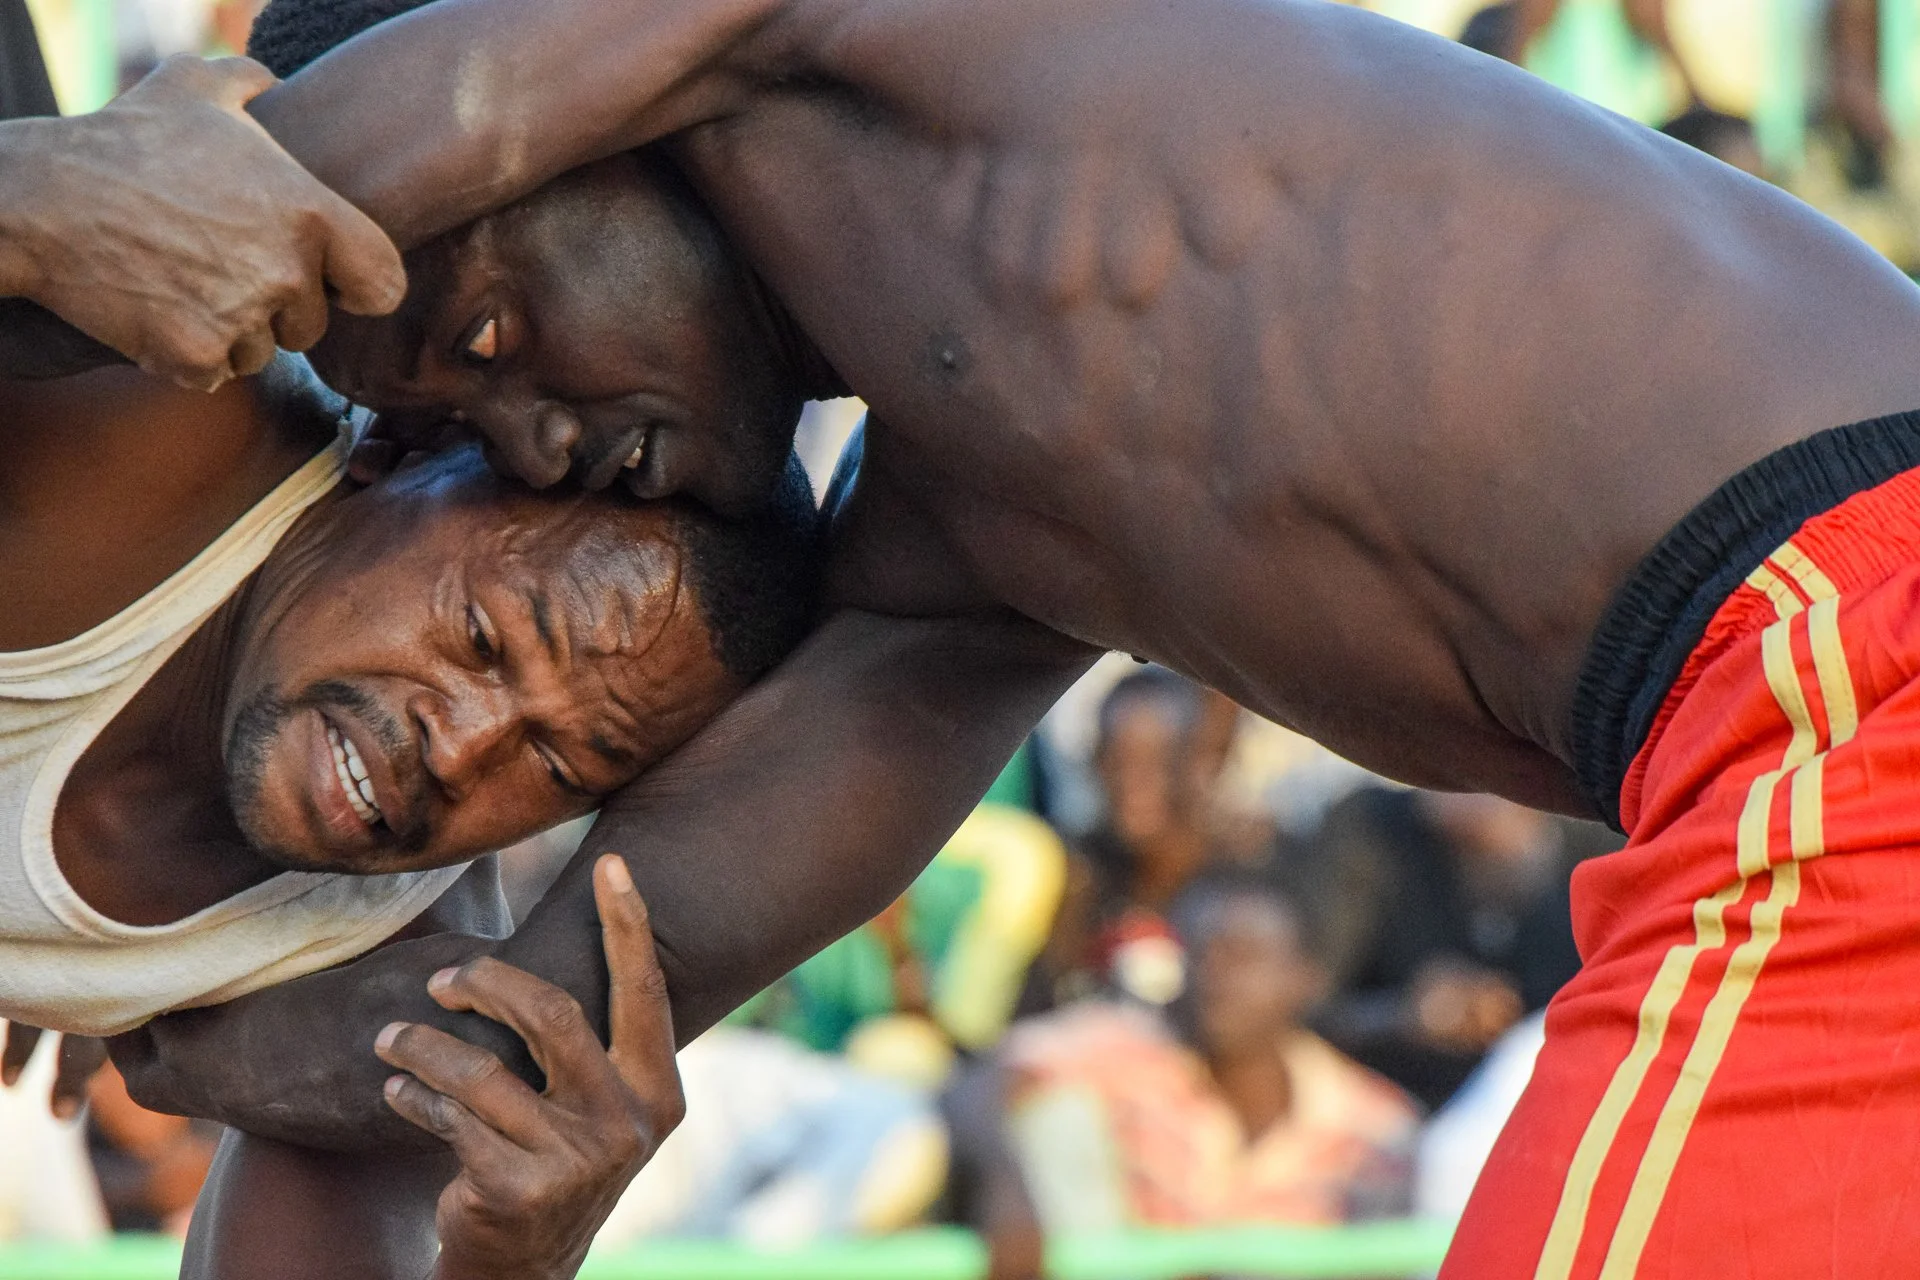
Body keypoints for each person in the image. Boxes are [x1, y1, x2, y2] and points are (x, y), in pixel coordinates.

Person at [15, 0, 1920, 1276]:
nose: (524, 438)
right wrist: (169, 1025)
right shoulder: (981, 547)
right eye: (453, 431)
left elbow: (251, 211)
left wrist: (61, 185)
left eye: (491, 332)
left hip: (1847, 636)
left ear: (585, 134)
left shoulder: (834, 31)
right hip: (1787, 701)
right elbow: (576, 1014)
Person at [966, 873, 1416, 1259]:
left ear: (1307, 978)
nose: (1214, 974)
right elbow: (985, 1078)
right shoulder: (1133, 1048)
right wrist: (1007, 1188)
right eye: (1199, 953)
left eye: (1241, 956)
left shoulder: (1374, 1128)